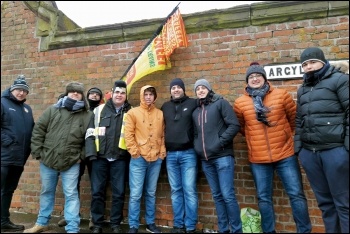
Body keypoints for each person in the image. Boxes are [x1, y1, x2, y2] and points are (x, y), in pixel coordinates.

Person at [233, 62, 312, 233]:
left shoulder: (281, 95)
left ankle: (304, 230)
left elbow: (294, 120)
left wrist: (284, 135)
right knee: (263, 198)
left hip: (285, 154)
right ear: (247, 81)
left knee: (296, 195)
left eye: (258, 76)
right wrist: (255, 140)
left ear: (264, 78)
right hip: (258, 159)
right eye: (251, 77)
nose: (255, 79)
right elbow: (241, 127)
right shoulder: (240, 103)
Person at [24, 82, 92, 233]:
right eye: (72, 91)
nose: (75, 93)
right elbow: (38, 130)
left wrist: (81, 157)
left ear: (82, 95)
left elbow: (90, 139)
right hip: (48, 159)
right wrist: (38, 152)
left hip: (72, 162)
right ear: (66, 93)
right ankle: (42, 222)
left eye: (78, 92)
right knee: (47, 191)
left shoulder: (87, 115)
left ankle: (72, 228)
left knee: (71, 193)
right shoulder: (53, 110)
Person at [295, 47, 349, 233]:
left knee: (343, 204)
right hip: (310, 154)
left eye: (312, 62)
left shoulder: (341, 80)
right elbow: (299, 120)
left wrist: (345, 149)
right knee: (325, 205)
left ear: (323, 62)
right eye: (305, 64)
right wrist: (299, 149)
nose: (309, 66)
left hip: (335, 151)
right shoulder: (302, 89)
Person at [192, 79, 242, 233]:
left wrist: (220, 143)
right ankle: (223, 229)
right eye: (197, 89)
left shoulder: (221, 103)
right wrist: (198, 148)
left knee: (227, 195)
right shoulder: (196, 112)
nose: (200, 90)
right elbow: (195, 134)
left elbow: (234, 125)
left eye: (203, 88)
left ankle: (236, 229)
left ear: (209, 89)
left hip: (223, 157)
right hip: (206, 160)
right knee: (217, 196)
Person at [85, 81, 131, 233]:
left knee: (118, 193)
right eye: (117, 92)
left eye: (122, 93)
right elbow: (90, 133)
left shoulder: (130, 112)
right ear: (112, 93)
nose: (119, 95)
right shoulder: (99, 110)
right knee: (97, 191)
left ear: (126, 95)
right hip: (100, 158)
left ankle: (115, 224)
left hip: (120, 158)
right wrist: (91, 154)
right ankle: (97, 224)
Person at [57, 87, 104, 228]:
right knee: (72, 186)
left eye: (97, 94)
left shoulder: (103, 111)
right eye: (91, 94)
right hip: (78, 153)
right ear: (87, 96)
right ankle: (72, 216)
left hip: (95, 153)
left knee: (97, 187)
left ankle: (93, 218)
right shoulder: (81, 109)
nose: (94, 96)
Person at [124, 85, 166, 233]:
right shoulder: (132, 113)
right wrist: (135, 153)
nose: (148, 97)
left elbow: (162, 136)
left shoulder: (160, 114)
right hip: (139, 159)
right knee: (136, 194)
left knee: (151, 192)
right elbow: (128, 135)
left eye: (151, 95)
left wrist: (161, 153)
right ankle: (133, 225)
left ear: (155, 97)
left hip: (155, 159)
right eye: (146, 94)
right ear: (142, 96)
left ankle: (150, 223)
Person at [160, 78, 198, 233]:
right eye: (173, 87)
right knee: (176, 190)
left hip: (188, 153)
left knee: (189, 189)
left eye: (178, 87)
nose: (176, 90)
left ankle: (190, 226)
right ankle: (178, 225)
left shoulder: (193, 103)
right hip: (170, 155)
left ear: (183, 89)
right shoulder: (165, 107)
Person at [1, 75, 34, 232]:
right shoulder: (2, 103)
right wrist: (7, 140)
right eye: (18, 90)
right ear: (12, 89)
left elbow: (32, 131)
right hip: (3, 156)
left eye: (24, 90)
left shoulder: (27, 109)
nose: (21, 93)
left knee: (9, 190)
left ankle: (3, 221)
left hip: (19, 158)